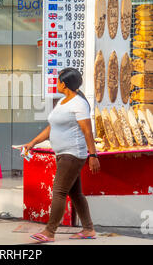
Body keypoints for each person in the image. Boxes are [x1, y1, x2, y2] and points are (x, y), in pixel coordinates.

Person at [24, 68, 100, 242]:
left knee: (59, 192)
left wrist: (93, 155)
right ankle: (88, 229)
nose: (56, 83)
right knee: (75, 193)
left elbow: (87, 132)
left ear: (63, 84)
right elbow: (52, 128)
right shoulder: (63, 102)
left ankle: (49, 232)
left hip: (72, 154)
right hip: (63, 154)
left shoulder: (79, 104)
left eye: (58, 81)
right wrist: (33, 142)